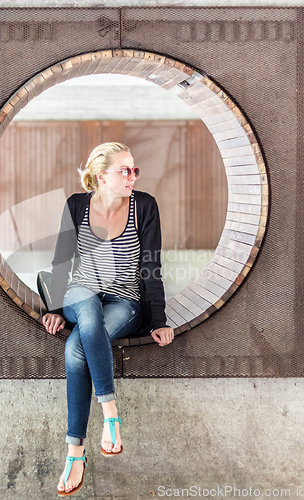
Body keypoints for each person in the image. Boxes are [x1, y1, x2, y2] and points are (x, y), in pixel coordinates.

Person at [42, 142, 174, 496]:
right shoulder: (76, 205)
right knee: (86, 307)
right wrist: (55, 308)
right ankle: (111, 414)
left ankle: (75, 454)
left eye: (135, 170)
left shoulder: (143, 206)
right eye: (124, 170)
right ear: (101, 176)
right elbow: (61, 262)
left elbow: (150, 266)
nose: (132, 176)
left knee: (76, 349)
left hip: (125, 300)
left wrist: (158, 318)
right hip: (80, 293)